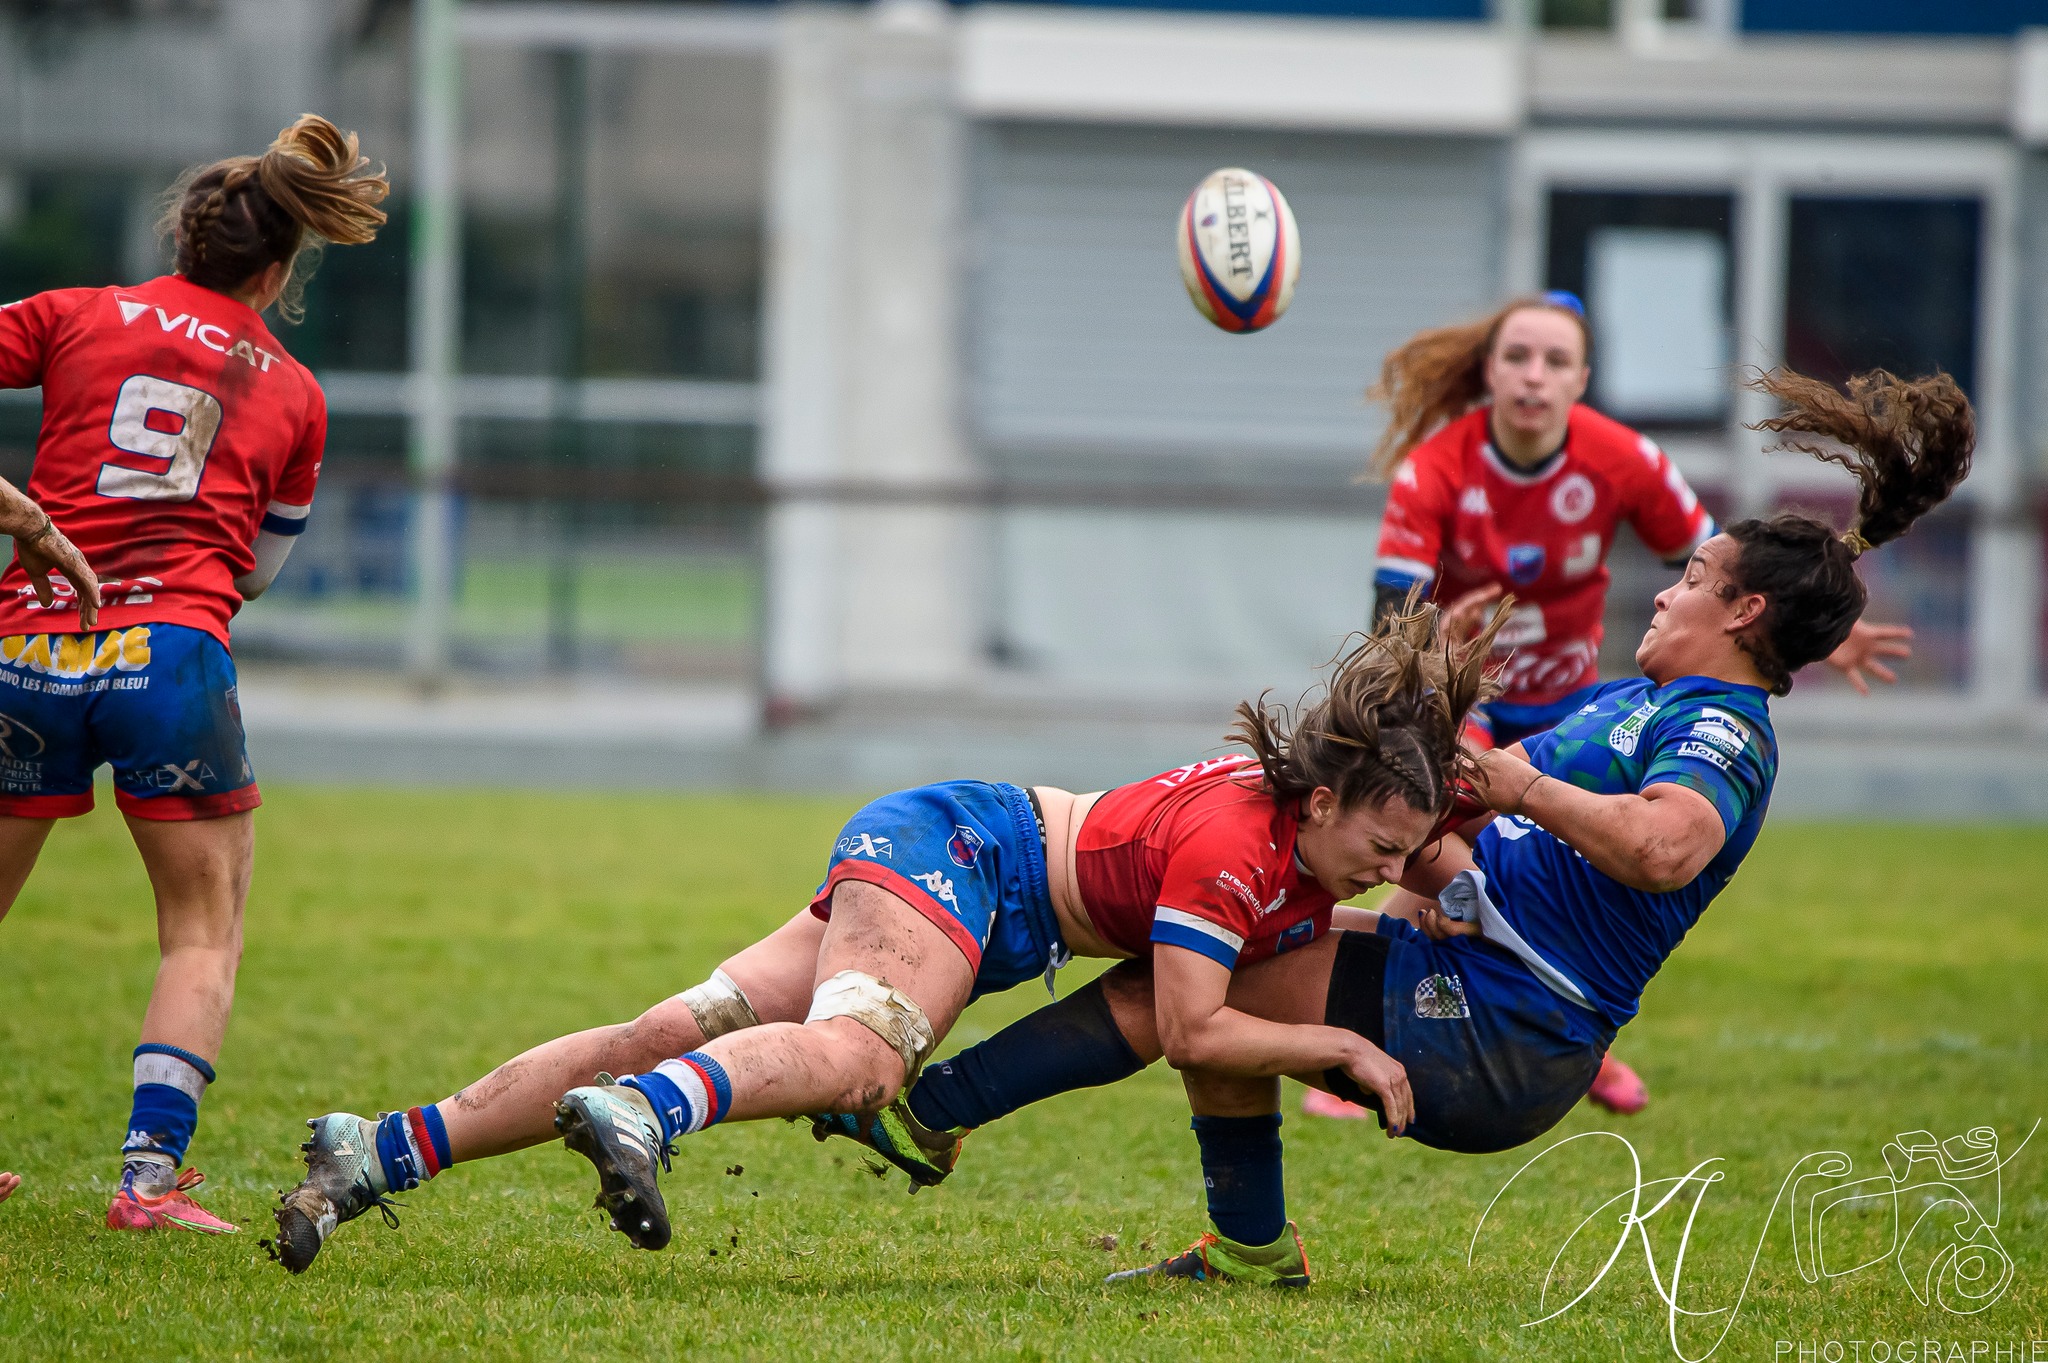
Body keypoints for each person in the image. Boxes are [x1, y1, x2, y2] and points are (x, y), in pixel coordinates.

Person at [826, 366, 1973, 1288]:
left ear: (1743, 611)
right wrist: (1427, 732)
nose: (1664, 590)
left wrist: (1504, 797)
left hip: (1505, 1027)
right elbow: (1476, 793)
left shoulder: (1720, 731)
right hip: (1470, 975)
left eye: (1689, 576)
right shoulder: (1643, 701)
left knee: (1181, 995)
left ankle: (926, 1113)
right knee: (1210, 963)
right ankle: (1248, 1248)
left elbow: (1663, 844)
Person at [269, 607, 1499, 1275]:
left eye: (1405, 858)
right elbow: (1187, 1027)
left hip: (947, 854)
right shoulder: (1238, 844)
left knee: (674, 1025)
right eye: (1382, 854)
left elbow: (1408, 862)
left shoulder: (1310, 828)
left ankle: (375, 1151)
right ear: (1324, 803)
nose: (1392, 877)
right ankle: (648, 1114)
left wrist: (1444, 873)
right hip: (962, 860)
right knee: (861, 1058)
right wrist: (1351, 1048)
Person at [1345, 291, 1912, 1119]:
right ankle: (1402, 997)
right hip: (1471, 694)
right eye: (1516, 357)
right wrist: (1432, 659)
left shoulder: (1621, 459)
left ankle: (1517, 1016)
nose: (1533, 376)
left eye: (1554, 360)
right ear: (1489, 372)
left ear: (1583, 377)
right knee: (1432, 830)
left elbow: (1724, 575)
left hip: (1576, 700)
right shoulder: (1436, 467)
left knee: (1508, 846)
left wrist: (1814, 623)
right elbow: (1387, 627)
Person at [0, 115, 388, 1234]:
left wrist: (23, 509)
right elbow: (257, 576)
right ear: (275, 273)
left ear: (180, 237)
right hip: (168, 653)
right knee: (200, 928)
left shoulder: (75, 314)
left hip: (25, 637)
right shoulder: (297, 394)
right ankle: (146, 1185)